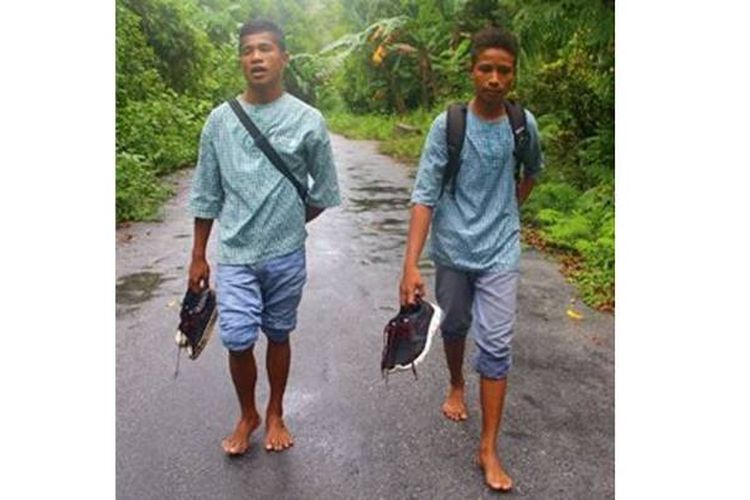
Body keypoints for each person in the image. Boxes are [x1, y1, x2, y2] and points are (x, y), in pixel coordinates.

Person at [398, 26, 543, 491]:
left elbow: (531, 173)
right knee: (456, 325)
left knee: (497, 344)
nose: (495, 79)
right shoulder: (449, 125)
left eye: (504, 70)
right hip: (454, 250)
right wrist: (410, 264)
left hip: (500, 250)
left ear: (514, 74)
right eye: (486, 68)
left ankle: (488, 447)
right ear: (472, 71)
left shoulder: (523, 125)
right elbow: (424, 195)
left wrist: (508, 212)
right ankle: (457, 383)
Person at [188, 18, 340, 456]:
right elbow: (206, 193)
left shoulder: (309, 120)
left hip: (285, 254)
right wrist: (198, 255)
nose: (256, 57)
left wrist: (288, 222)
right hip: (235, 253)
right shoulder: (219, 121)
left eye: (266, 49)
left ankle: (274, 411)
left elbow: (324, 192)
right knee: (236, 338)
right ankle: (247, 413)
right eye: (248, 50)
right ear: (241, 59)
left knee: (278, 332)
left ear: (284, 58)